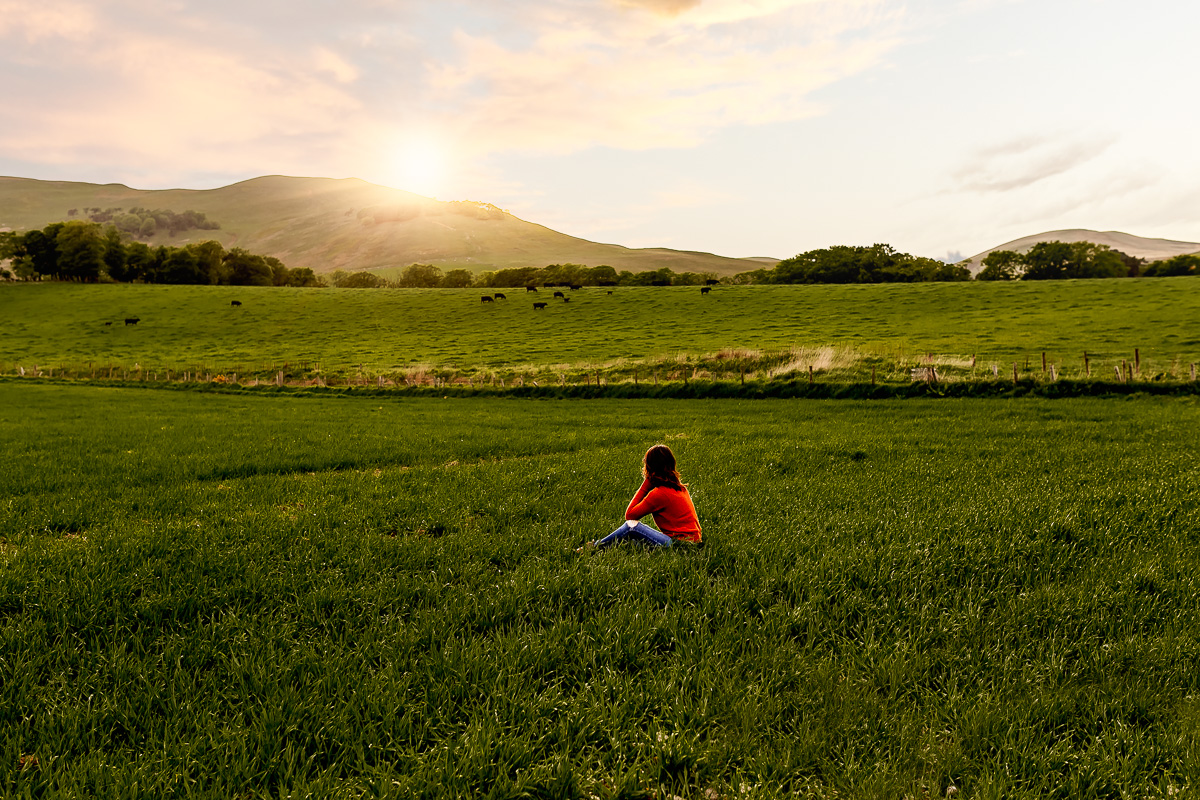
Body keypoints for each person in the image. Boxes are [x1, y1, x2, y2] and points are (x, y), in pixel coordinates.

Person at [582, 444, 702, 551]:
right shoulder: (680, 488)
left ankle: (594, 547)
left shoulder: (660, 493)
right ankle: (605, 549)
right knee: (631, 542)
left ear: (650, 467)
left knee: (632, 527)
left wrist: (645, 486)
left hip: (678, 545)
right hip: (692, 542)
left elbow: (630, 516)